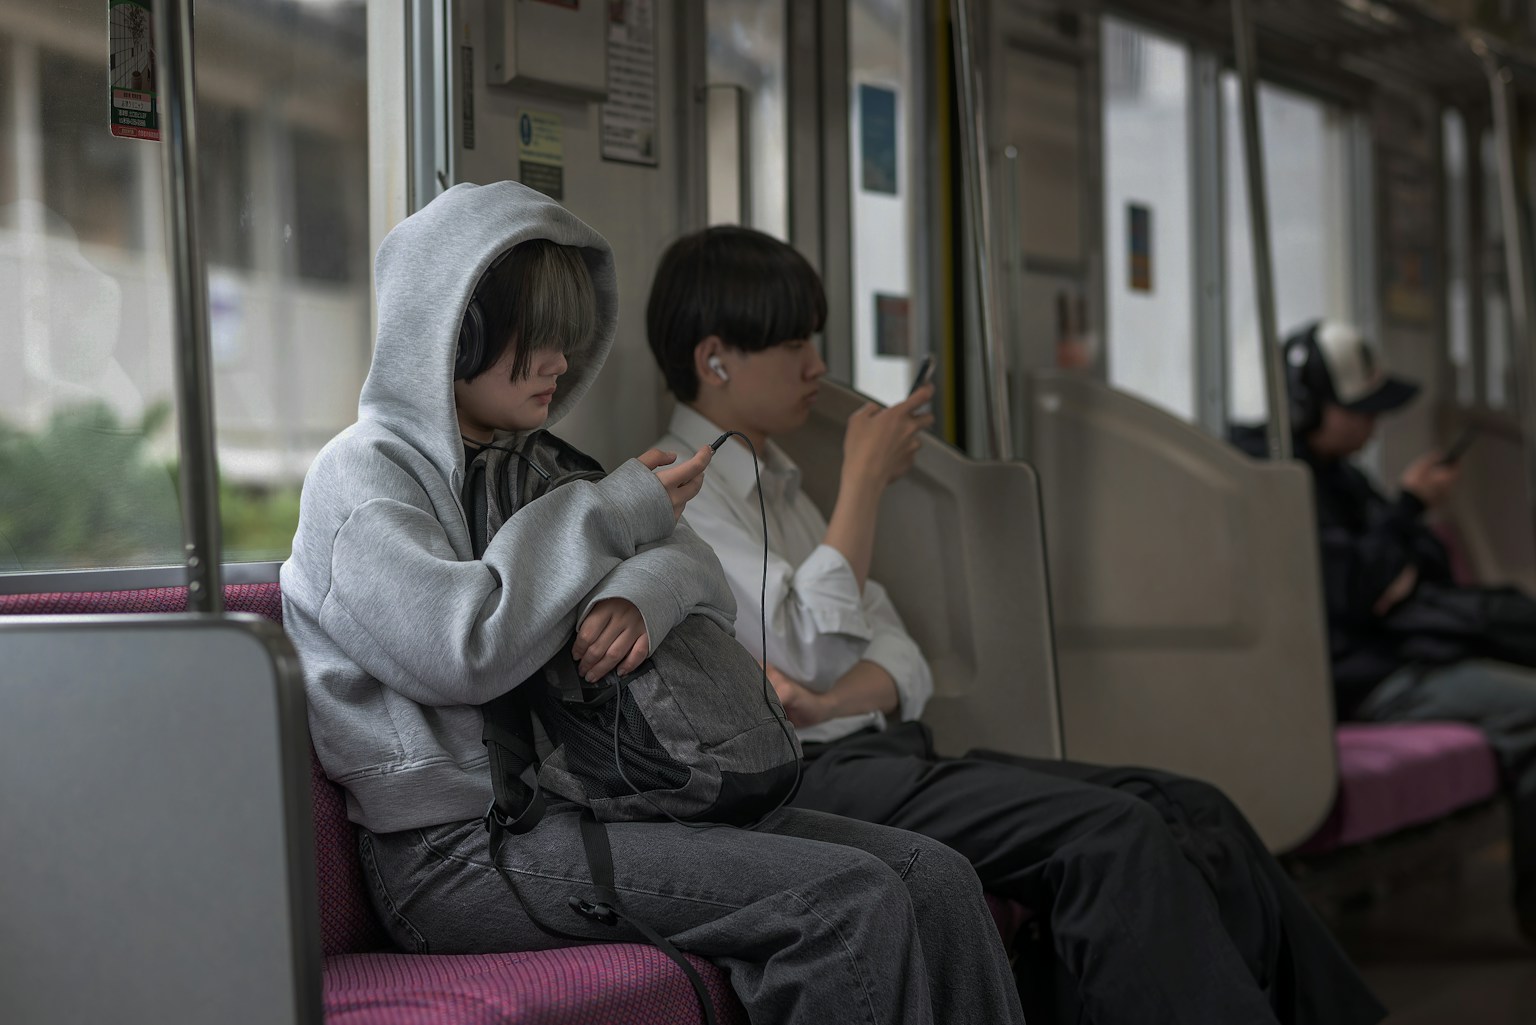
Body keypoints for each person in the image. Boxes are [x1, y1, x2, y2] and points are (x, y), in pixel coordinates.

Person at [279, 182, 1026, 1025]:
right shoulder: (363, 479)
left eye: (568, 338)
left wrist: (639, 593)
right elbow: (463, 648)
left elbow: (697, 568)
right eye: (539, 337)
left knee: (937, 877)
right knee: (842, 903)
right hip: (454, 854)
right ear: (459, 331)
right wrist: (607, 518)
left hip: (587, 807)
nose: (561, 362)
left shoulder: (533, 463)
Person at [645, 225, 1387, 1025]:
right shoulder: (679, 495)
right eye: (794, 343)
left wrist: (830, 698)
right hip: (809, 776)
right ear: (715, 359)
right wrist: (864, 481)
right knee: (1114, 834)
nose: (817, 367)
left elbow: (898, 653)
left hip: (874, 746)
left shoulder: (780, 486)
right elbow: (819, 645)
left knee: (1191, 805)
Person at [1235, 318, 1536, 941]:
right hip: (1366, 679)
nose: (1373, 425)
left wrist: (1392, 544)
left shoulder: (1343, 476)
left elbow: (1418, 563)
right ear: (1307, 405)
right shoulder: (1277, 484)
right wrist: (1406, 512)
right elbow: (1353, 589)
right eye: (1359, 410)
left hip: (1400, 656)